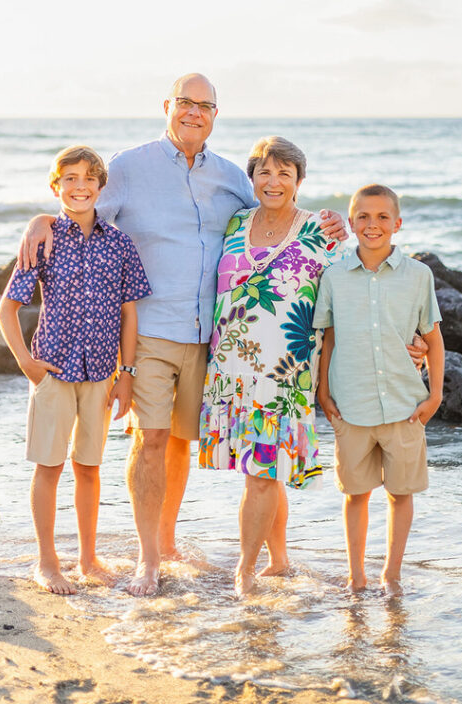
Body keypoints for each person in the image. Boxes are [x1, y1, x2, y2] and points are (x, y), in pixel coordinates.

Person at [18, 73, 349, 597]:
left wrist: (333, 225)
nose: (194, 112)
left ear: (216, 115)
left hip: (213, 340)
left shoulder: (231, 178)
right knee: (149, 440)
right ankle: (149, 560)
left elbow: (275, 214)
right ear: (167, 106)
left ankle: (185, 546)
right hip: (147, 331)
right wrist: (41, 218)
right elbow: (81, 211)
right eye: (185, 103)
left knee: (185, 442)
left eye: (205, 105)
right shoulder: (128, 166)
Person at [0, 146, 151, 595]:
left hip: (103, 371)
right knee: (50, 466)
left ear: (101, 186)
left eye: (88, 178)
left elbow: (130, 314)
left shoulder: (120, 244)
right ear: (55, 186)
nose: (79, 186)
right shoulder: (43, 240)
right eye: (69, 178)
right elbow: (7, 311)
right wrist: (27, 362)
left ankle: (88, 558)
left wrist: (127, 373)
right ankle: (47, 563)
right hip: (54, 370)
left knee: (89, 467)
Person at [199, 136, 347, 596]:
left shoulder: (322, 231)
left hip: (284, 376)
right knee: (265, 472)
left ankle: (244, 570)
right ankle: (279, 560)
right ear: (252, 179)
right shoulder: (235, 223)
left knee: (260, 476)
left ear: (300, 181)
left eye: (285, 173)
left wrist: (409, 341)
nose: (274, 180)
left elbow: (349, 296)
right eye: (265, 171)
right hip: (231, 372)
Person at [313, 183, 445, 596]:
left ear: (398, 224)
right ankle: (356, 575)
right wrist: (323, 390)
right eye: (364, 217)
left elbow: (433, 338)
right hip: (350, 406)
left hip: (406, 405)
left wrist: (435, 395)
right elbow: (328, 337)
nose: (373, 225)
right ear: (351, 224)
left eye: (383, 217)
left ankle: (392, 575)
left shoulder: (418, 276)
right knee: (355, 495)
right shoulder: (333, 277)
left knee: (401, 494)